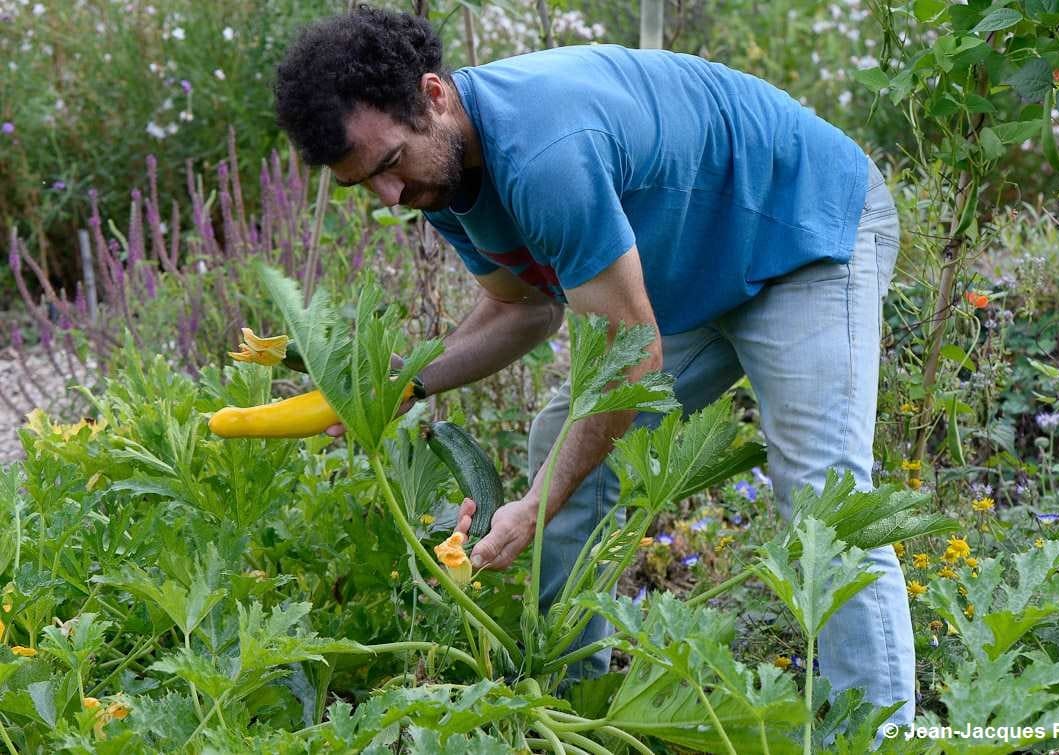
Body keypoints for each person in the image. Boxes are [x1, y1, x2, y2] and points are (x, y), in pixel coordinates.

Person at [274, 4, 914, 735]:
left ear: (434, 96)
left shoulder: (545, 152)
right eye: (367, 186)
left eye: (389, 166)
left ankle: (882, 737)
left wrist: (535, 503)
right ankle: (567, 698)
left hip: (801, 228)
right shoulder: (440, 177)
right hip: (703, 269)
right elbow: (522, 310)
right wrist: (402, 383)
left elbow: (630, 360)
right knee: (562, 438)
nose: (391, 199)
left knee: (822, 501)